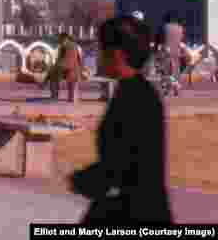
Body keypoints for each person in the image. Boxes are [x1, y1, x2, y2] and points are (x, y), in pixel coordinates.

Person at [70, 15, 172, 225]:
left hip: (136, 212)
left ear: (117, 54)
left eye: (102, 50)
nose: (98, 56)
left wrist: (86, 180)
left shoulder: (135, 97)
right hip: (127, 207)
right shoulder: (133, 91)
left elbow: (125, 161)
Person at [46, 33, 83, 101]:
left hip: (72, 70)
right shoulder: (64, 46)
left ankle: (55, 95)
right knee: (52, 74)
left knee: (53, 75)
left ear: (65, 39)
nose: (59, 41)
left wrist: (56, 67)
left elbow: (68, 62)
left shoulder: (71, 46)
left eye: (60, 40)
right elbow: (60, 59)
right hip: (68, 69)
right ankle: (55, 95)